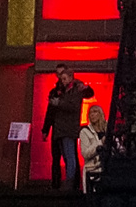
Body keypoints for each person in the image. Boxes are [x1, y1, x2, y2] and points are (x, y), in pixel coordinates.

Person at [41, 63, 93, 191]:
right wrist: (46, 128)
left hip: (67, 127)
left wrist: (58, 103)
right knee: (62, 156)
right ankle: (62, 183)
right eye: (58, 75)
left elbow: (75, 104)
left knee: (69, 156)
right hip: (60, 127)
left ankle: (71, 183)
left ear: (69, 77)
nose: (60, 78)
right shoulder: (59, 90)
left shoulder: (74, 89)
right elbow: (51, 111)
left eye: (63, 76)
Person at [78, 105, 107, 194]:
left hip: (107, 170)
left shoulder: (108, 130)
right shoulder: (85, 132)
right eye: (90, 113)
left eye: (95, 112)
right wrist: (100, 143)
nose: (92, 115)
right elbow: (85, 153)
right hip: (93, 170)